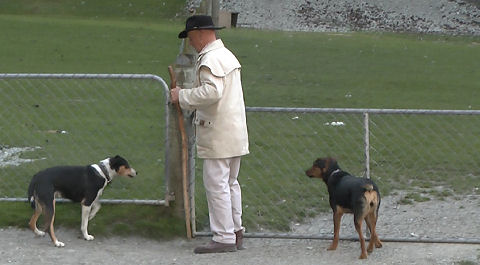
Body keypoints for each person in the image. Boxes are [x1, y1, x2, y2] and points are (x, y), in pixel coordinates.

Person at [170, 15, 249, 254]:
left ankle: (224, 237)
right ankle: (235, 231)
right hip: (234, 130)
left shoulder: (211, 59)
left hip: (218, 132)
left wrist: (181, 96)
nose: (191, 42)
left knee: (217, 185)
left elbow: (212, 92)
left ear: (202, 33)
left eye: (191, 37)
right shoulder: (226, 55)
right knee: (230, 183)